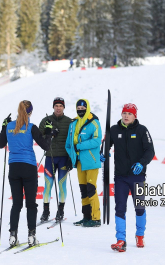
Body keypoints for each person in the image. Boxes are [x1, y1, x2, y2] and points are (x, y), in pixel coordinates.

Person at [0, 100, 52, 246]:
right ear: (30, 112)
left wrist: (3, 128)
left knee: (16, 204)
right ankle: (32, 236)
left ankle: (12, 236)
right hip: (28, 167)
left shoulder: (9, 126)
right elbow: (46, 145)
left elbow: (0, 144)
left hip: (14, 167)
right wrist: (48, 132)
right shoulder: (31, 127)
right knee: (31, 204)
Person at [107, 103, 155, 252]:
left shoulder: (142, 130)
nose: (126, 116)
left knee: (139, 207)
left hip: (137, 176)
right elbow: (106, 145)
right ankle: (121, 239)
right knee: (120, 208)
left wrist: (141, 163)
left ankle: (140, 235)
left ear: (135, 116)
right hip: (120, 176)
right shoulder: (114, 130)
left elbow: (150, 151)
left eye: (129, 114)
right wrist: (103, 154)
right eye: (124, 113)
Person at [65, 99, 102, 228]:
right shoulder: (73, 123)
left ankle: (96, 218)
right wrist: (71, 156)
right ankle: (86, 217)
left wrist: (79, 146)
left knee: (91, 188)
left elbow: (97, 141)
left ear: (87, 108)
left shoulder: (94, 122)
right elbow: (69, 144)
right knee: (83, 190)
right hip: (79, 162)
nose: (81, 111)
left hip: (91, 161)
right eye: (78, 109)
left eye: (83, 109)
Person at [38, 97, 72, 222]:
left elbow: (72, 140)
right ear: (53, 107)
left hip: (64, 157)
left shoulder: (69, 121)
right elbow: (38, 137)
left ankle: (60, 210)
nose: (58, 108)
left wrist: (71, 158)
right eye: (56, 105)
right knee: (48, 185)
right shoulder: (46, 120)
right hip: (50, 157)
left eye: (60, 106)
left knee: (62, 185)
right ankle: (46, 211)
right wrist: (49, 133)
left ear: (64, 107)